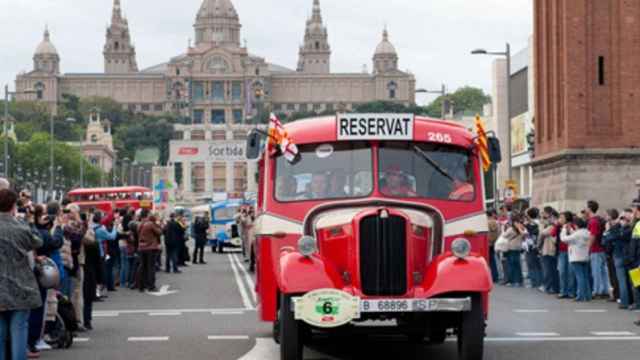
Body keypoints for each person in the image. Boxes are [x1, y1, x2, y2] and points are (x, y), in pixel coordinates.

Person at [0, 189, 43, 360]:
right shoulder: (21, 227)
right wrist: (30, 221)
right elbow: (38, 241)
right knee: (19, 331)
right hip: (21, 286)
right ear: (13, 206)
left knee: (0, 334)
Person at [602, 209, 633, 309]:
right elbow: (607, 238)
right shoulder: (619, 227)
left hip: (623, 255)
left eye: (624, 218)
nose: (622, 220)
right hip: (620, 255)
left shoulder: (629, 228)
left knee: (625, 280)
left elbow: (611, 237)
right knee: (625, 280)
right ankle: (628, 300)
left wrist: (611, 233)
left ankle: (625, 301)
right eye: (621, 218)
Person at [561, 218, 592, 302]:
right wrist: (570, 229)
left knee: (579, 277)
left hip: (576, 257)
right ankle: (588, 295)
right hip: (585, 256)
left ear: (577, 225)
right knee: (585, 276)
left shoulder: (577, 234)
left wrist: (564, 230)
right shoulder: (587, 233)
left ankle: (581, 296)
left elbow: (564, 239)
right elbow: (574, 236)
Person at [585, 200, 610, 299]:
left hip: (596, 249)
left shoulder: (593, 221)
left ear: (590, 209)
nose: (585, 209)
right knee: (603, 271)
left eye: (586, 207)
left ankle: (597, 291)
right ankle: (604, 290)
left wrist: (588, 248)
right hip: (601, 248)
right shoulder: (598, 219)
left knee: (596, 271)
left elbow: (593, 236)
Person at [138, 212, 162, 292]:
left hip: (141, 247)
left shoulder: (141, 224)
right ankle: (151, 286)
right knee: (151, 267)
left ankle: (141, 285)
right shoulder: (151, 224)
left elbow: (138, 233)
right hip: (150, 247)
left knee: (142, 266)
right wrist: (158, 225)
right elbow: (159, 232)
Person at [502, 214, 526, 287]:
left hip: (511, 248)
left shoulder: (511, 229)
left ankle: (514, 281)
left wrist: (504, 228)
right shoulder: (521, 228)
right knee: (517, 265)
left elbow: (504, 235)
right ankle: (519, 280)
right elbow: (523, 235)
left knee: (512, 265)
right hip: (518, 248)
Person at [557, 211, 577, 299]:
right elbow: (553, 233)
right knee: (562, 271)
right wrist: (557, 226)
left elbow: (575, 236)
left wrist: (569, 229)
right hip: (562, 251)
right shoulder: (558, 226)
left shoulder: (572, 226)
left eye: (561, 217)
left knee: (570, 272)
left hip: (571, 251)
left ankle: (571, 291)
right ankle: (563, 291)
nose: (560, 219)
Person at [540, 207, 560, 294]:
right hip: (548, 249)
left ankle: (549, 286)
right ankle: (551, 287)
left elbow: (542, 232)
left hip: (550, 250)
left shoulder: (552, 226)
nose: (548, 219)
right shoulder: (551, 225)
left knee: (549, 269)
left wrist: (542, 224)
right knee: (550, 269)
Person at [524, 208, 543, 289]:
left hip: (530, 246)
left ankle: (535, 282)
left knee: (532, 265)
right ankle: (539, 282)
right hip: (536, 245)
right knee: (537, 265)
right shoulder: (539, 223)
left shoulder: (530, 224)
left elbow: (527, 234)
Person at [487, 209, 500, 282]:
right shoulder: (494, 222)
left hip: (489, 243)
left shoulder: (488, 222)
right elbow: (496, 233)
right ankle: (495, 276)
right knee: (493, 260)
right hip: (493, 242)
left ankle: (494, 276)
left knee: (491, 261)